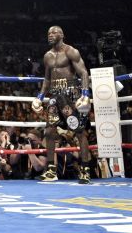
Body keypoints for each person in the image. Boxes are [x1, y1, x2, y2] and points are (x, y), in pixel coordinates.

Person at [31, 26, 93, 183]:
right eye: (48, 33)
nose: (50, 35)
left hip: (71, 94)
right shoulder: (47, 56)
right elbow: (47, 79)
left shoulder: (70, 51)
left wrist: (85, 94)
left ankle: (85, 170)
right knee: (50, 132)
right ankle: (51, 170)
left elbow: (83, 72)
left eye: (54, 32)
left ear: (62, 35)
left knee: (79, 132)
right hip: (54, 96)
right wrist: (39, 97)